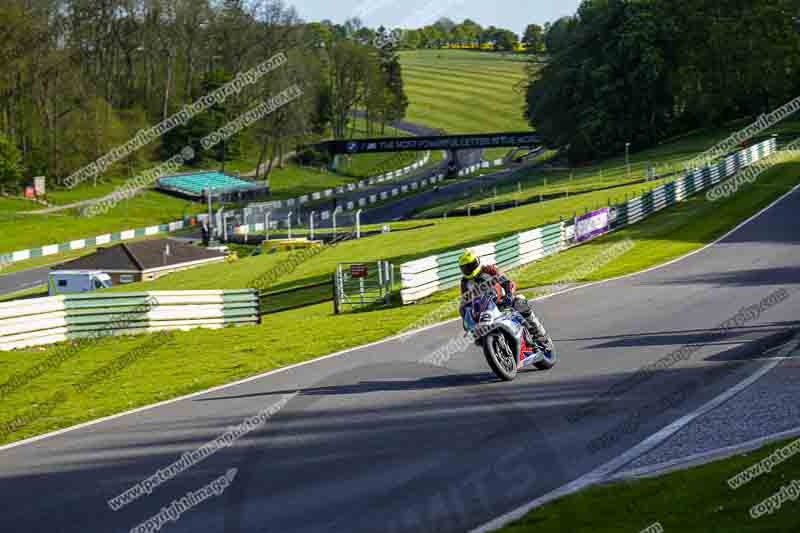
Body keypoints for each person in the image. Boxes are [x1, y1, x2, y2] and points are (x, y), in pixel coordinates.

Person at [458, 250, 551, 349]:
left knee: (520, 302)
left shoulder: (489, 270)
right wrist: (466, 319)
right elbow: (465, 302)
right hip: (484, 311)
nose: (468, 269)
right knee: (476, 335)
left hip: (501, 302)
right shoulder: (465, 282)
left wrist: (509, 294)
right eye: (465, 268)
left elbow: (507, 281)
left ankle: (538, 334)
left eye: (471, 265)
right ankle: (495, 347)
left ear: (478, 262)